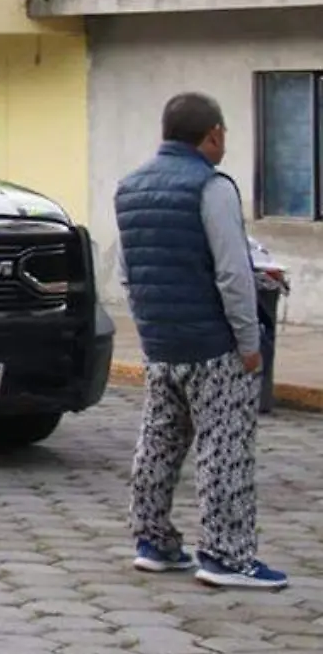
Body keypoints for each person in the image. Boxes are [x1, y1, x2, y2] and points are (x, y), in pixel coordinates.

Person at [114, 92, 286, 590]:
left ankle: (154, 541)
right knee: (225, 446)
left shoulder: (130, 187)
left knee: (159, 441)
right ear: (212, 133)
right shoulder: (211, 188)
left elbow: (128, 272)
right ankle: (227, 555)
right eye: (224, 133)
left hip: (162, 344)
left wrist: (151, 330)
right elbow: (234, 274)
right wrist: (249, 342)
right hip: (214, 345)